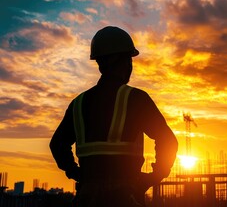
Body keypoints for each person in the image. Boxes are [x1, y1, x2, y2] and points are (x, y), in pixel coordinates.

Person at [50, 26, 178, 207]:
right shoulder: (136, 99)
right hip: (125, 196)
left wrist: (76, 173)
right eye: (129, 60)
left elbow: (57, 144)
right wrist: (154, 176)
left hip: (86, 197)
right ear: (124, 61)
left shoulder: (78, 103)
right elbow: (168, 140)